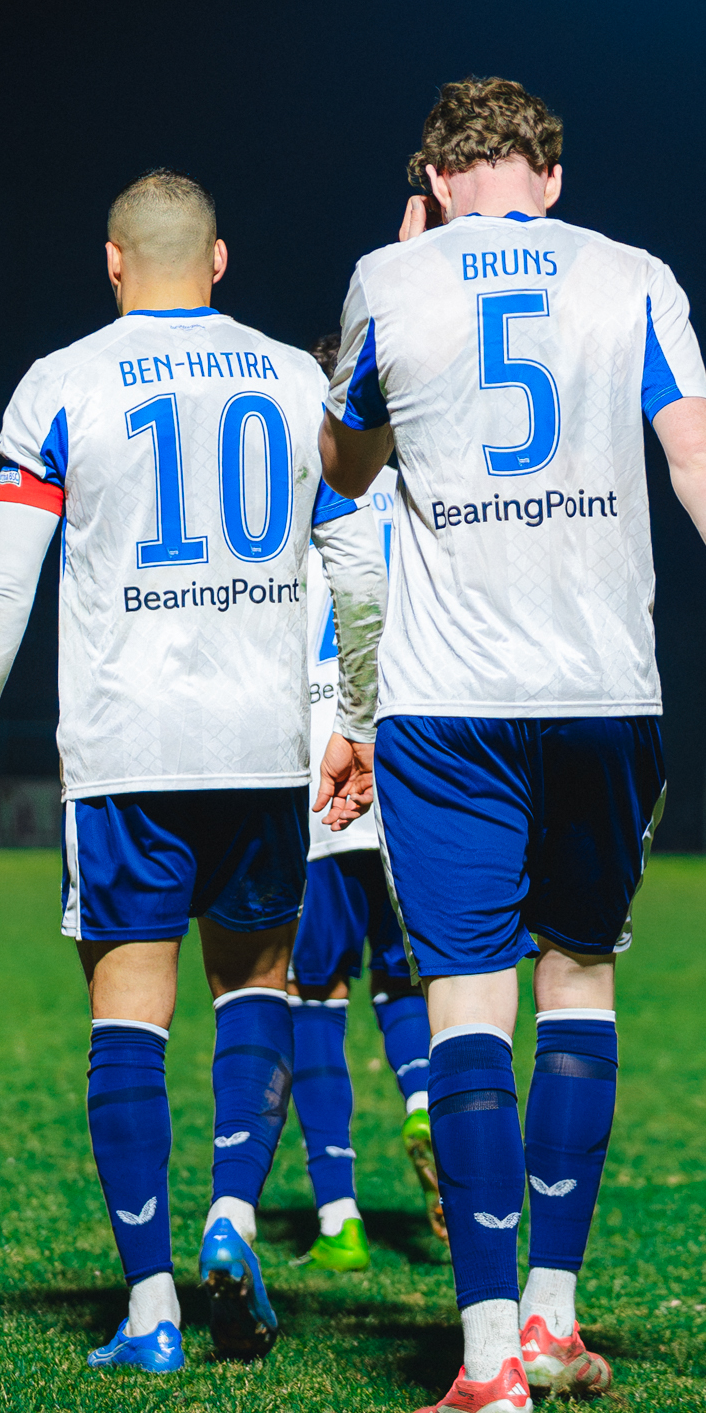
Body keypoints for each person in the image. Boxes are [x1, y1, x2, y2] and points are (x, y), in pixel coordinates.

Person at [319, 77, 706, 1413]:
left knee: (464, 1007)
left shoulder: (390, 275)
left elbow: (344, 465)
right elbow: (702, 457)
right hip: (605, 691)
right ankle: (557, 1317)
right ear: (548, 178)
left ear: (438, 181)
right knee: (581, 985)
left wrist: (397, 268)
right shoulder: (634, 278)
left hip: (449, 703)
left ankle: (491, 1358)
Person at [0, 170, 386, 1374]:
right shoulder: (298, 380)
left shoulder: (64, 382)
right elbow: (357, 565)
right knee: (260, 985)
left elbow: (2, 575)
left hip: (129, 748)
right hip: (261, 747)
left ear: (113, 262)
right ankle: (234, 1212)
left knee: (128, 1012)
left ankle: (150, 1306)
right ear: (222, 260)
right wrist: (355, 713)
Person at [287, 334, 437, 1272]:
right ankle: (426, 1107)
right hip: (415, 755)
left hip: (323, 756)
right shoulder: (425, 489)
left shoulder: (298, 497)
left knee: (315, 989)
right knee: (407, 974)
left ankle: (338, 1215)